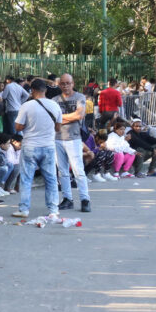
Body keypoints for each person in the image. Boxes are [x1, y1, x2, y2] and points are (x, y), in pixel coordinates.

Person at [11, 79, 62, 218]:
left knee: (26, 179)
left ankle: (24, 209)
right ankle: (53, 210)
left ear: (32, 91)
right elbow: (58, 127)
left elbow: (18, 127)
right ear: (45, 90)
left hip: (30, 146)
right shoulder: (55, 105)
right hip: (48, 146)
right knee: (51, 178)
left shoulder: (26, 106)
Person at [53, 74, 91, 213]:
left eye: (68, 83)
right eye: (63, 83)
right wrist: (70, 117)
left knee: (78, 171)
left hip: (74, 138)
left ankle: (85, 199)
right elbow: (52, 119)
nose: (65, 85)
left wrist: (60, 118)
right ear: (59, 85)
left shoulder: (79, 97)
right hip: (57, 138)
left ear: (73, 83)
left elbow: (79, 115)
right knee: (62, 171)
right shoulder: (54, 100)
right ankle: (67, 199)